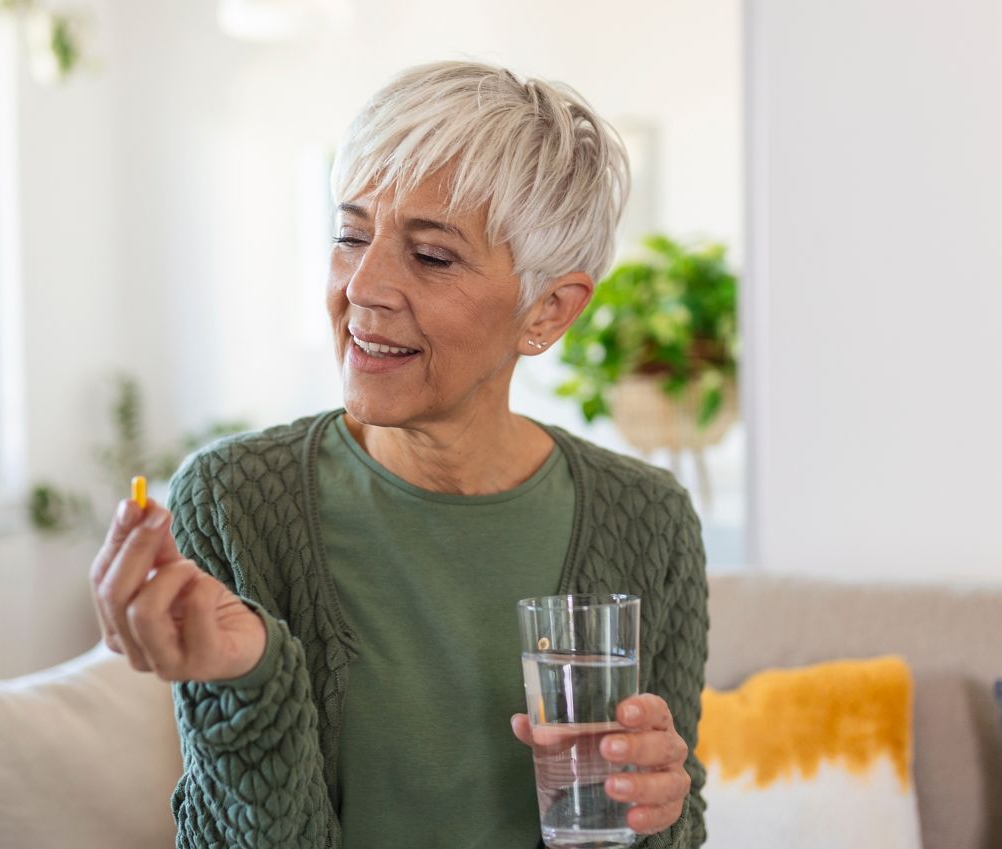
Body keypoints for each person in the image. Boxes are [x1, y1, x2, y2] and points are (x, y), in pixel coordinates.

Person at [89, 59, 708, 849]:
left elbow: (662, 826)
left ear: (547, 308)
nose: (363, 286)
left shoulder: (646, 517)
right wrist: (250, 682)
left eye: (432, 256)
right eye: (350, 235)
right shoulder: (234, 498)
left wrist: (655, 807)